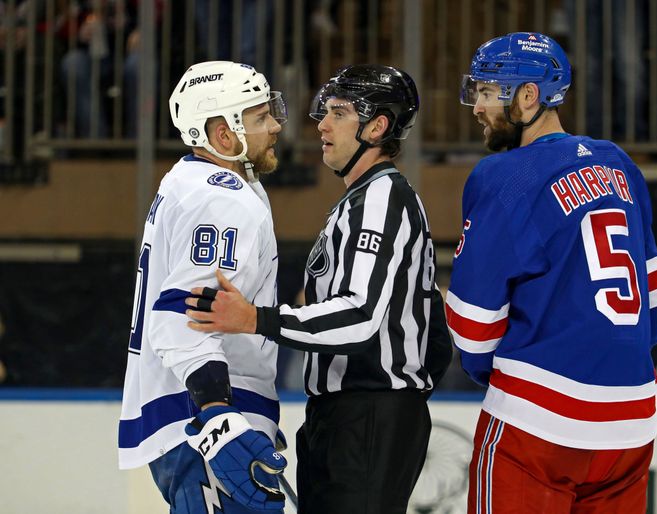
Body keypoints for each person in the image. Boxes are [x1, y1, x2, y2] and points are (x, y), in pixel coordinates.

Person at [184, 64, 453, 514]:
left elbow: (361, 316)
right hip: (348, 415)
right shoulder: (359, 201)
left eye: (339, 113)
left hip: (368, 416)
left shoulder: (383, 197)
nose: (321, 124)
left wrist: (256, 319)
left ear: (377, 126)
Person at [447, 33, 657, 513]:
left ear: (528, 96)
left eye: (487, 92)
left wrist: (501, 376)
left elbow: (471, 329)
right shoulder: (620, 164)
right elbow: (654, 303)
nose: (477, 107)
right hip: (631, 421)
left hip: (538, 424)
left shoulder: (504, 175)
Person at [118, 61, 290, 513]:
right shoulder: (221, 197)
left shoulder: (193, 182)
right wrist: (218, 413)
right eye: (258, 118)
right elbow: (182, 312)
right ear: (223, 135)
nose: (274, 126)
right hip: (203, 418)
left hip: (194, 412)